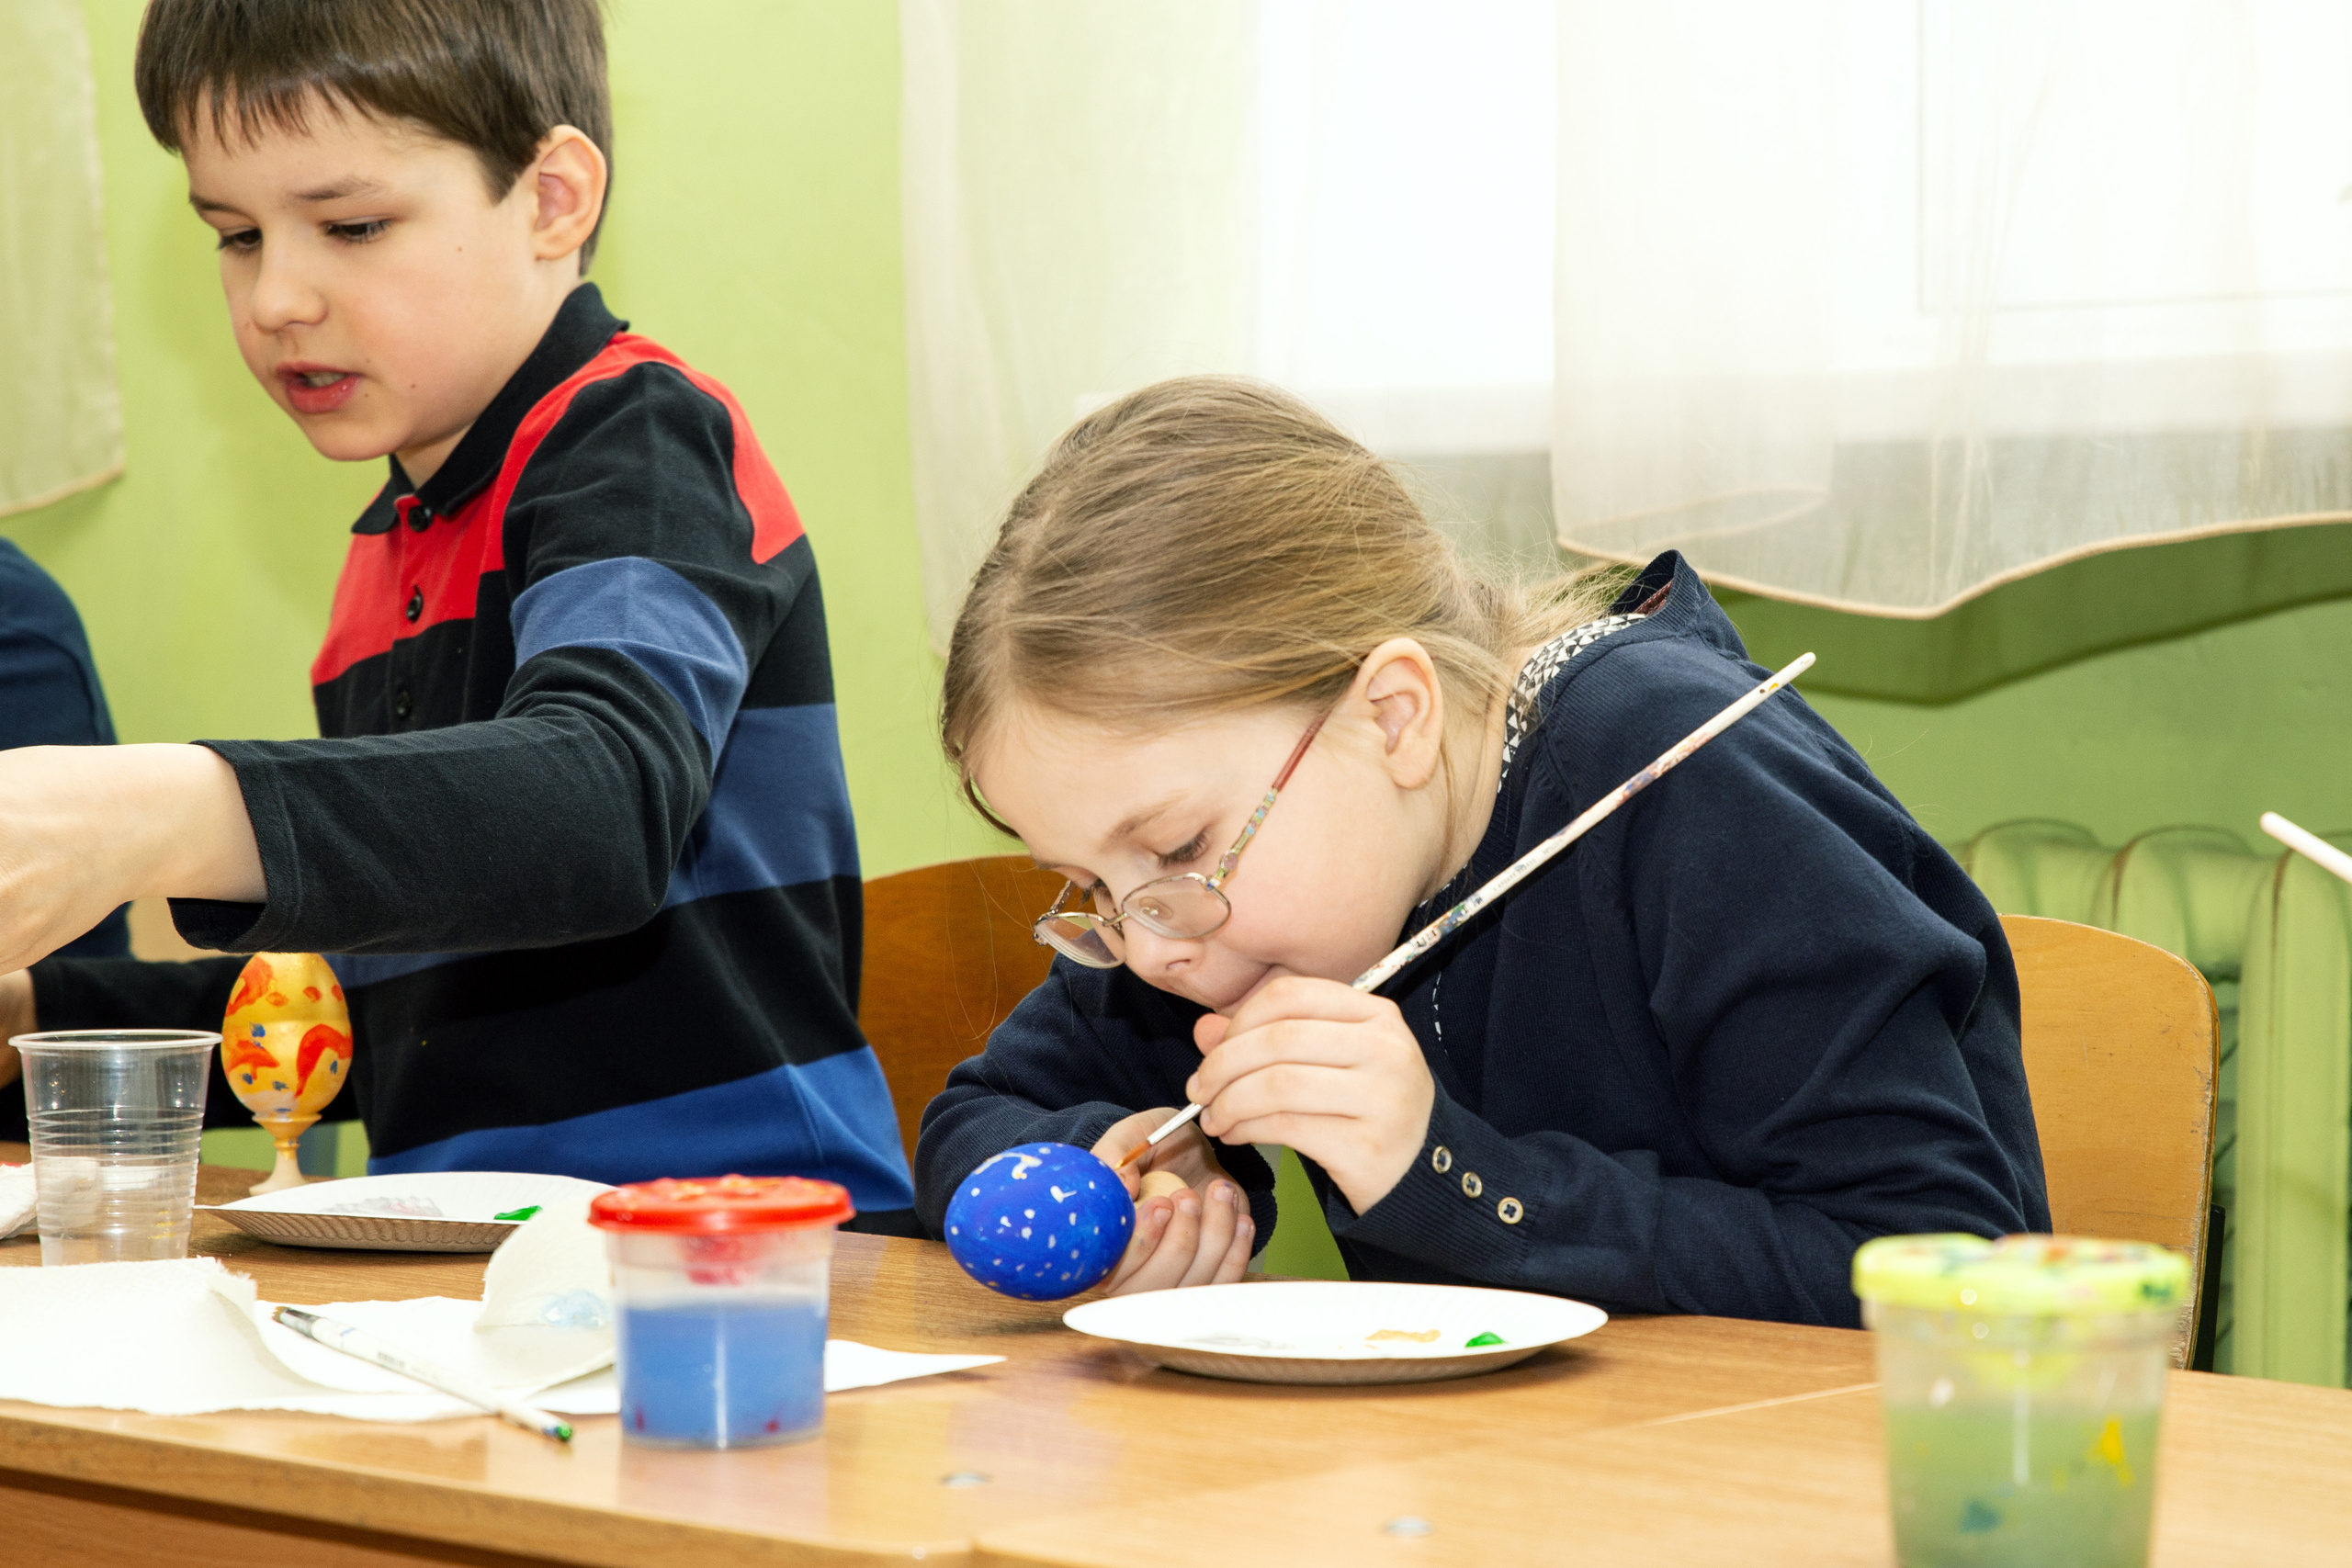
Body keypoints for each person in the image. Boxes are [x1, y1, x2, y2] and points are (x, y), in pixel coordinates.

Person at [0, 0, 914, 1226]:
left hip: (749, 1241)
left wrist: (161, 810)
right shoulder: (385, 552)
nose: (275, 298)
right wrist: (35, 1020)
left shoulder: (640, 442)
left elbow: (599, 804)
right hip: (459, 1253)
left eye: (351, 225)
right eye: (236, 235)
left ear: (551, 199)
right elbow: (378, 1016)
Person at [914, 377, 2049, 1324]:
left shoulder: (1679, 776)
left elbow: (1949, 1270)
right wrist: (1145, 1175)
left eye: (1175, 848)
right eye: (1090, 888)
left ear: (1393, 718)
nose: (1149, 947)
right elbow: (976, 1121)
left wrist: (1450, 1174)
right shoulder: (1207, 925)